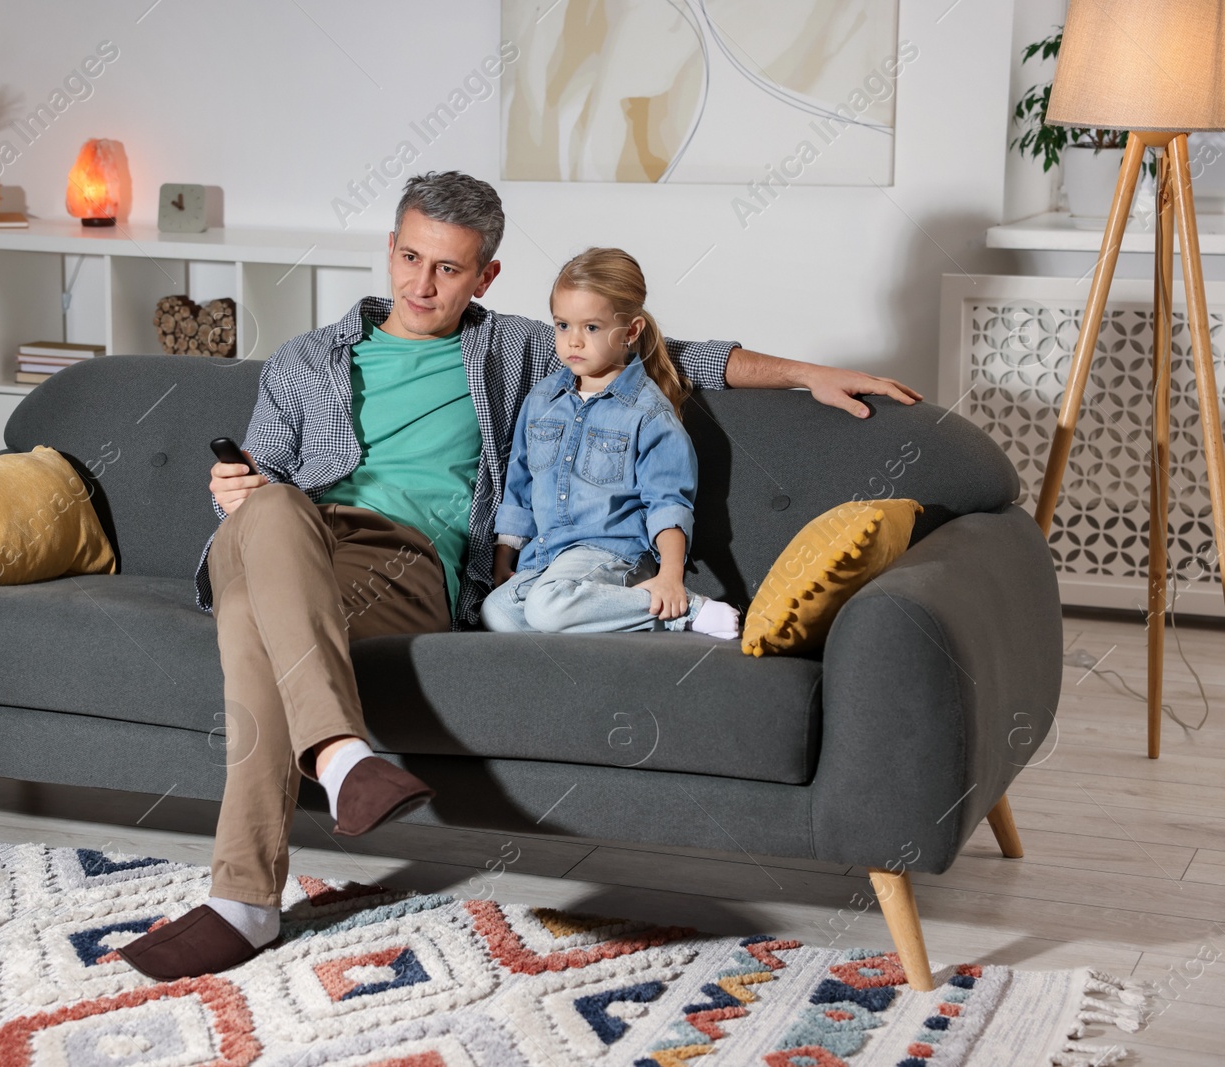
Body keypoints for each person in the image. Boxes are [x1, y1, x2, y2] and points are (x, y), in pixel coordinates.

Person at [115, 171, 924, 983]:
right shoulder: (304, 361)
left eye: (449, 269)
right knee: (275, 507)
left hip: (396, 564)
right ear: (389, 249)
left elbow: (671, 352)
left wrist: (804, 373)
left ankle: (245, 899)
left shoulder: (515, 349)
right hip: (278, 536)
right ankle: (337, 756)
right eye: (409, 256)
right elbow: (261, 485)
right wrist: (236, 489)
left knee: (255, 622)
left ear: (486, 277)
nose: (421, 284)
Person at [480, 247, 741, 638]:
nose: (574, 342)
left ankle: (682, 609)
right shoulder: (540, 400)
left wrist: (670, 575)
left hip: (614, 555)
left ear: (631, 331)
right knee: (496, 613)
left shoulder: (648, 413)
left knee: (546, 608)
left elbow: (668, 503)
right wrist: (506, 555)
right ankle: (599, 613)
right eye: (562, 326)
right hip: (547, 558)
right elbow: (519, 486)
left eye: (591, 328)